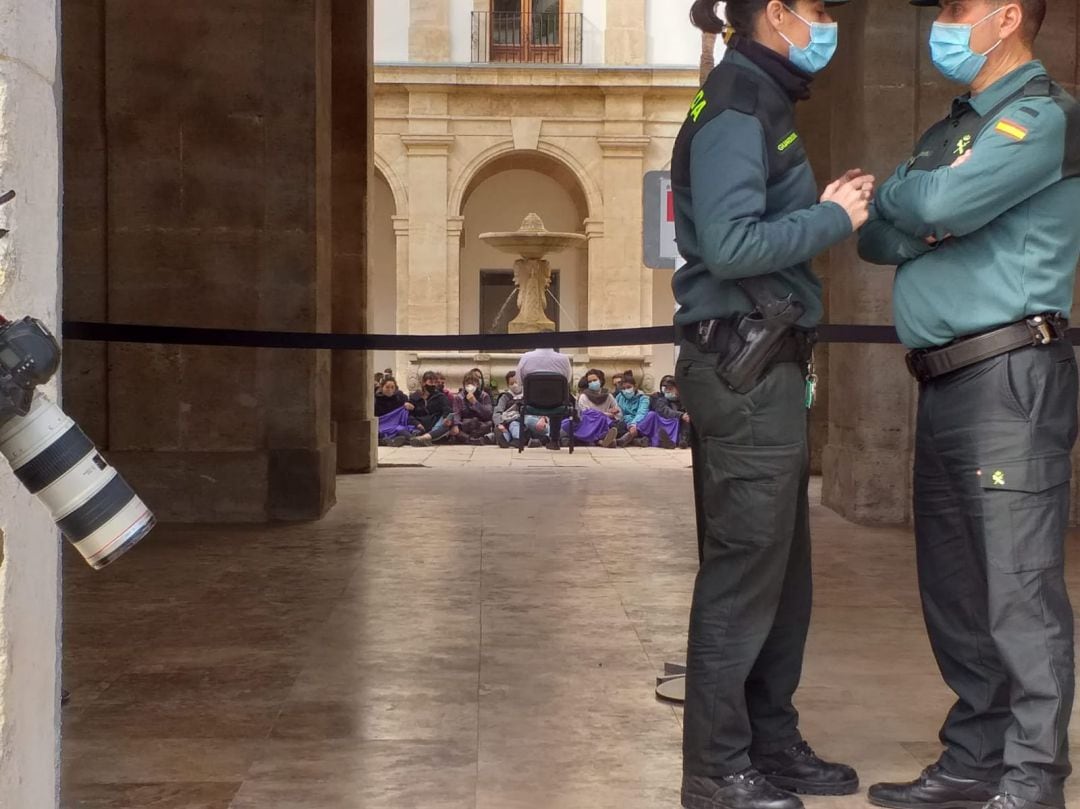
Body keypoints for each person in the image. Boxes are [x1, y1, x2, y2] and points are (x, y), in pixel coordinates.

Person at [858, 3, 1079, 809]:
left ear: (1008, 15)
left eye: (957, 8)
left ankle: (1031, 781)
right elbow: (876, 237)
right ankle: (975, 758)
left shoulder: (1047, 116)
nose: (945, 22)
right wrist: (924, 205)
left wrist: (925, 208)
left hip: (1010, 376)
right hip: (944, 380)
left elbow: (935, 210)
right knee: (954, 587)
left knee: (1019, 588)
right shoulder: (951, 131)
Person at [673, 1, 871, 808]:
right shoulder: (736, 103)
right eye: (820, 9)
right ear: (777, 12)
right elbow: (728, 244)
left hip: (769, 366)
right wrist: (832, 217)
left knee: (782, 578)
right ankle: (718, 768)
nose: (830, 25)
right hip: (744, 366)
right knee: (744, 575)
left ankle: (770, 741)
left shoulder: (762, 96)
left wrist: (813, 204)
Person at [516, 347, 573, 451]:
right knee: (556, 398)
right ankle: (554, 440)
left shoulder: (526, 357)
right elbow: (567, 380)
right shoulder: (564, 359)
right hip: (557, 403)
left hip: (532, 403)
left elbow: (519, 381)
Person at [615, 372, 675, 448]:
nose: (626, 390)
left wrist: (633, 425)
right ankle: (634, 440)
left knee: (651, 415)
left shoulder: (643, 398)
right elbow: (619, 413)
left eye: (628, 387)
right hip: (625, 423)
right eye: (623, 388)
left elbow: (641, 413)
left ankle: (630, 437)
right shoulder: (619, 397)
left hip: (639, 423)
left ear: (635, 386)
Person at [572, 369, 621, 448]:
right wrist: (607, 414)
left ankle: (602, 441)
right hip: (590, 424)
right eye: (590, 382)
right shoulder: (584, 397)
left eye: (594, 380)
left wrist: (615, 412)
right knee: (596, 417)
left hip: (605, 423)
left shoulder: (608, 396)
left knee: (619, 425)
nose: (592, 383)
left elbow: (618, 413)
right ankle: (603, 440)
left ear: (601, 380)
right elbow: (586, 413)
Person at [409, 371, 454, 447]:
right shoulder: (415, 396)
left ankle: (423, 438)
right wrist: (417, 423)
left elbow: (447, 409)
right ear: (423, 383)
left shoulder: (440, 397)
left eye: (434, 383)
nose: (433, 385)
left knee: (445, 428)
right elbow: (410, 415)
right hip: (419, 425)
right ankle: (419, 438)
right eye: (430, 382)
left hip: (434, 425)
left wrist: (446, 418)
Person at [451, 371, 495, 445]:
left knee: (489, 424)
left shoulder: (484, 396)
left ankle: (472, 439)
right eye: (468, 384)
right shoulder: (459, 397)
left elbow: (488, 414)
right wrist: (456, 425)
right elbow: (456, 414)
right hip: (466, 424)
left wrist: (475, 403)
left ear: (477, 385)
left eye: (473, 384)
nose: (470, 386)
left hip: (481, 424)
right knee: (456, 430)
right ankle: (473, 439)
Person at [651, 375, 692, 449]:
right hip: (665, 423)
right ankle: (669, 441)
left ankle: (683, 441)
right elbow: (665, 410)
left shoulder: (684, 400)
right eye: (665, 388)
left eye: (670, 389)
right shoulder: (661, 398)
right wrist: (681, 415)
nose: (667, 391)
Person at [374, 377, 415, 447]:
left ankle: (414, 440)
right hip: (381, 426)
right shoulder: (375, 400)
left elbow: (406, 414)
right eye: (387, 387)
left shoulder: (399, 399)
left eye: (392, 387)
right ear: (382, 387)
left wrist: (411, 407)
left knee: (401, 429)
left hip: (395, 426)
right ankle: (387, 441)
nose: (389, 390)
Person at [494, 370, 526, 448]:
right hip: (506, 422)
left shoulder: (527, 395)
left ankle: (517, 439)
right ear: (508, 385)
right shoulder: (505, 397)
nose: (514, 385)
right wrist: (499, 424)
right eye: (511, 384)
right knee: (505, 431)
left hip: (521, 422)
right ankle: (503, 439)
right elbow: (497, 412)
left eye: (516, 382)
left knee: (514, 425)